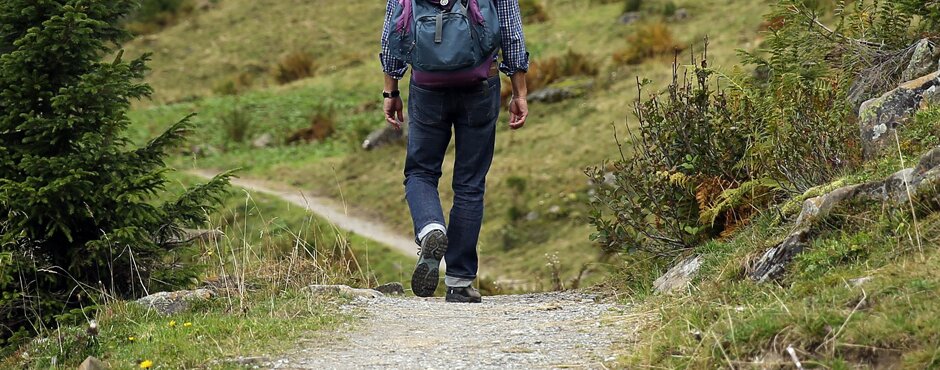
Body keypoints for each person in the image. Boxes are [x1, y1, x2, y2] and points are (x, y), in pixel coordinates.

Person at [380, 0, 529, 303]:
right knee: (470, 182)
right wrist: (519, 92)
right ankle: (460, 281)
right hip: (480, 82)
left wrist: (391, 90)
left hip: (426, 85)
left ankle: (431, 228)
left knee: (420, 172)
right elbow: (511, 32)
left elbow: (391, 34)